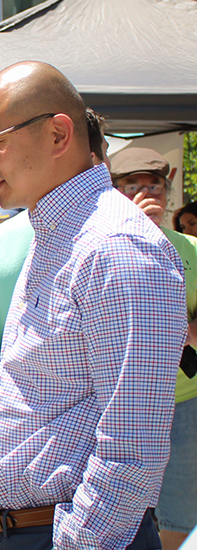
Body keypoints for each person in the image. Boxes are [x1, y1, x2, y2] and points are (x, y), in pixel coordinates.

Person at [0, 61, 186, 550]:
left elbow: (133, 443)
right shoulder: (60, 231)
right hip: (38, 528)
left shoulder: (116, 245)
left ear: (58, 134)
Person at [0, 109, 111, 495]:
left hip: (73, 486)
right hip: (64, 485)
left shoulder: (115, 239)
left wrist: (18, 414)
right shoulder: (112, 236)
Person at [109, 146, 197, 550]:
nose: (147, 195)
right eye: (132, 187)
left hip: (184, 401)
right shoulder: (101, 246)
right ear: (114, 191)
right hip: (117, 407)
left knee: (180, 513)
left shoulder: (192, 249)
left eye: (155, 186)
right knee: (119, 519)